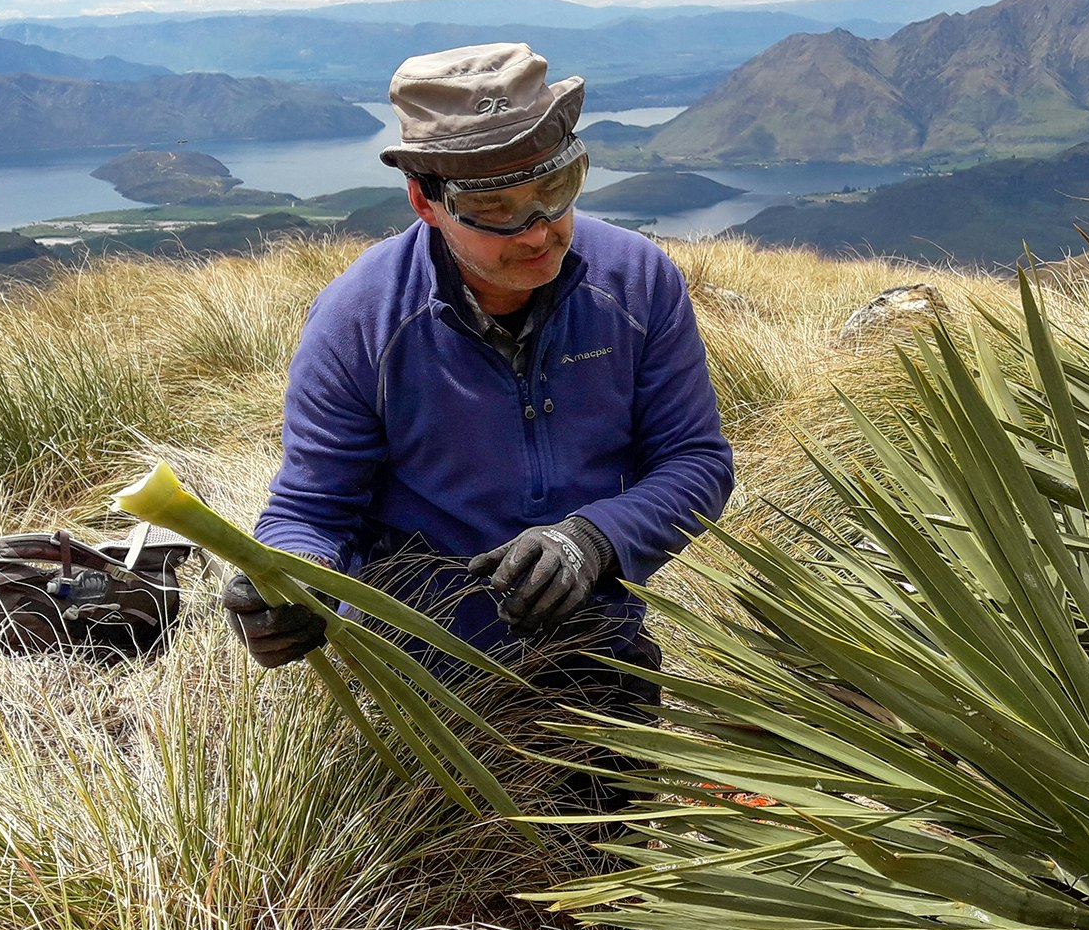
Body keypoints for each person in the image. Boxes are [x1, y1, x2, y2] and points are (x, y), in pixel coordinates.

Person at [222, 42, 735, 745]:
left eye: (558, 189)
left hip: (604, 662)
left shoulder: (638, 281)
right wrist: (287, 583)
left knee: (613, 855)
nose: (538, 231)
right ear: (424, 201)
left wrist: (594, 540)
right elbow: (312, 510)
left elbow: (696, 461)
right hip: (428, 693)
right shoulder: (360, 321)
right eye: (495, 207)